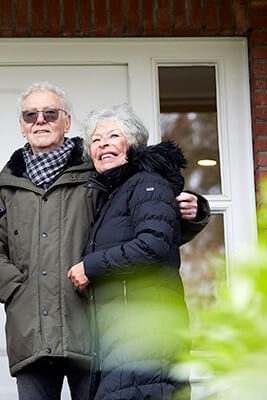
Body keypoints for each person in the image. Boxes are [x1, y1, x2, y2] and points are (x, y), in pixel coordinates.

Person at [0, 82, 209, 400]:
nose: (40, 120)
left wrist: (194, 211)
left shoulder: (99, 171)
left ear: (67, 122)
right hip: (30, 334)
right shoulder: (5, 186)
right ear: (22, 125)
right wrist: (17, 291)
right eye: (30, 114)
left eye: (50, 113)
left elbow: (147, 231)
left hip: (91, 332)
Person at [67, 104, 192, 400]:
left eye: (113, 136)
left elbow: (153, 245)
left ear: (134, 144)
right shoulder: (113, 196)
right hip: (121, 342)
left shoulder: (147, 184)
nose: (103, 144)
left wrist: (90, 265)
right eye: (96, 140)